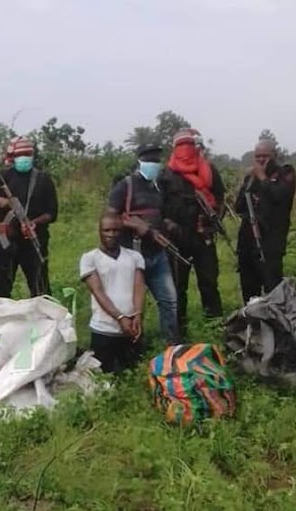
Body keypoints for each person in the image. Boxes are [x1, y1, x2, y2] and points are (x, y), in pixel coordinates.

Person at [107, 143, 179, 344]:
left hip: (158, 253)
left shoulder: (157, 186)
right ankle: (134, 343)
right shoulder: (126, 186)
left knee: (169, 300)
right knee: (133, 304)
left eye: (156, 161)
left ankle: (171, 344)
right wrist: (137, 226)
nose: (153, 165)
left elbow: (159, 213)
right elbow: (110, 218)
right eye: (149, 161)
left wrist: (166, 223)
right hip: (133, 255)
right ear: (140, 161)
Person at [161, 129, 225, 338]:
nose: (185, 152)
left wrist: (213, 222)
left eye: (189, 146)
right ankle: (179, 334)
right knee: (178, 288)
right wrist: (168, 225)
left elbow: (221, 199)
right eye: (181, 147)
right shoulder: (166, 174)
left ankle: (215, 327)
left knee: (209, 284)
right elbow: (158, 206)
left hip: (203, 236)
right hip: (177, 240)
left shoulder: (209, 171)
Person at [0, 136, 58, 298]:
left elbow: (52, 213)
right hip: (6, 240)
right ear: (13, 158)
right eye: (21, 155)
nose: (24, 159)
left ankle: (42, 319)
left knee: (39, 286)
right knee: (1, 287)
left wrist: (34, 223)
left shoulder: (43, 179)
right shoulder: (2, 177)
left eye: (28, 154)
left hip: (34, 240)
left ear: (33, 156)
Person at [80, 212, 145, 373]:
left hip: (131, 330)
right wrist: (120, 317)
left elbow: (139, 287)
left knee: (132, 374)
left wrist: (137, 315)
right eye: (106, 230)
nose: (111, 235)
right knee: (103, 378)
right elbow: (98, 291)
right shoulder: (89, 259)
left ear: (121, 232)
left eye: (115, 230)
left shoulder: (134, 257)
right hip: (103, 330)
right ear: (99, 232)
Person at [235, 139, 296, 302]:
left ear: (274, 156)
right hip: (248, 241)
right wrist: (250, 181)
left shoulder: (285, 173)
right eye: (258, 156)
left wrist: (262, 178)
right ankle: (252, 323)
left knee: (273, 288)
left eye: (265, 156)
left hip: (271, 242)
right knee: (249, 289)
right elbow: (239, 206)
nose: (261, 160)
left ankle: (277, 324)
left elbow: (279, 196)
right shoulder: (251, 177)